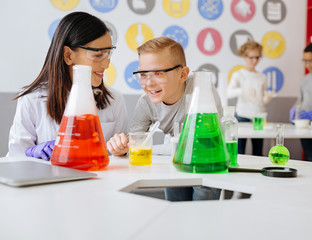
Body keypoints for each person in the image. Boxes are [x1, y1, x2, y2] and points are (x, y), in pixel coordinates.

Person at [107, 36, 223, 201]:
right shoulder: (146, 104)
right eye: (143, 74)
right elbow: (135, 144)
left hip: (205, 159)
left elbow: (202, 145)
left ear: (182, 74)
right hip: (174, 159)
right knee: (174, 204)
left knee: (202, 206)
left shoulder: (201, 91)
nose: (149, 83)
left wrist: (160, 148)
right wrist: (122, 148)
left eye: (158, 74)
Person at [8, 11, 128, 160]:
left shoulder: (114, 100)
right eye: (98, 55)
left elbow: (122, 161)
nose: (106, 64)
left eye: (108, 54)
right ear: (68, 55)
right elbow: (14, 160)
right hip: (49, 182)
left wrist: (121, 152)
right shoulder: (31, 101)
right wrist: (32, 154)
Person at [227, 41, 274, 156]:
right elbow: (229, 93)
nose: (255, 61)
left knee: (258, 152)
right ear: (244, 56)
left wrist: (266, 99)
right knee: (239, 151)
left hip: (258, 117)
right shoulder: (239, 74)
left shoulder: (262, 77)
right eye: (251, 57)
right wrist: (242, 90)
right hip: (242, 115)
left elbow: (261, 100)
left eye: (257, 57)